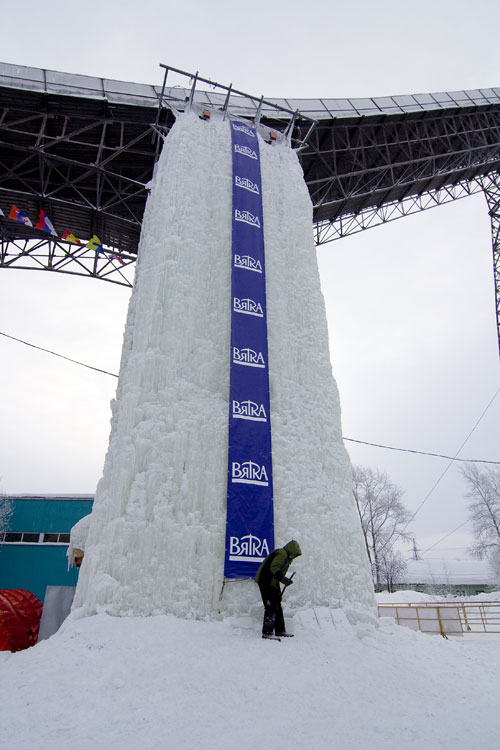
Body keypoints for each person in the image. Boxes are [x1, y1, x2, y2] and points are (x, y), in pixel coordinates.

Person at [255, 540, 302, 639]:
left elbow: (277, 572)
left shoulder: (285, 555)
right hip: (265, 581)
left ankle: (280, 630)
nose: (294, 557)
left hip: (271, 582)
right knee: (270, 606)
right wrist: (283, 579)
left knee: (277, 605)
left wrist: (281, 581)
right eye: (294, 554)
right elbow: (274, 568)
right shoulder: (282, 554)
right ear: (291, 550)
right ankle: (267, 633)